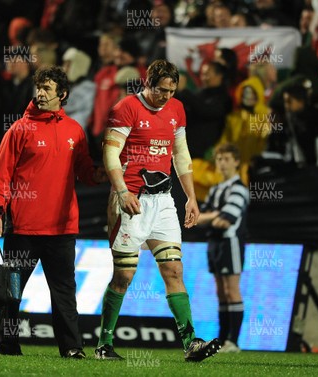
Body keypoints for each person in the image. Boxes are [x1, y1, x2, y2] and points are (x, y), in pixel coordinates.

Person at [96, 59, 220, 362]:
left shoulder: (177, 109)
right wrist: (122, 191)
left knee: (174, 269)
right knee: (124, 275)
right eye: (161, 89)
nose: (166, 96)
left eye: (172, 90)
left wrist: (191, 197)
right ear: (146, 83)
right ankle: (104, 344)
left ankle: (191, 342)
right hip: (131, 200)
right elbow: (110, 153)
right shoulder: (125, 108)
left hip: (164, 200)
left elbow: (181, 153)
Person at [0, 66, 106, 358]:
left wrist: (106, 172)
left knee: (64, 293)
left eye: (47, 89)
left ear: (62, 95)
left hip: (62, 229)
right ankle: (9, 344)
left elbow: (85, 172)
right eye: (38, 88)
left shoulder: (75, 131)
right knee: (12, 293)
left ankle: (72, 348)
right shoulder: (19, 129)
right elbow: (2, 174)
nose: (40, 93)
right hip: (23, 228)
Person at [197, 143, 249, 353]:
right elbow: (198, 218)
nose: (222, 163)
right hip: (214, 243)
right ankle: (223, 339)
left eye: (227, 159)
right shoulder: (216, 190)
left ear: (236, 162)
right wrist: (213, 216)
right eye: (219, 159)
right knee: (220, 291)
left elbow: (225, 220)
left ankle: (233, 341)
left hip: (231, 243)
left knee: (232, 289)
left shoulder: (239, 189)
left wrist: (212, 217)